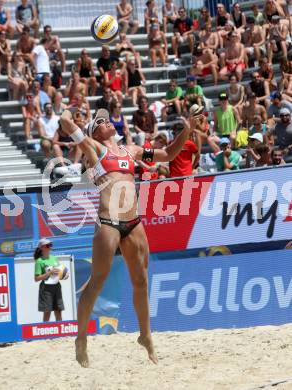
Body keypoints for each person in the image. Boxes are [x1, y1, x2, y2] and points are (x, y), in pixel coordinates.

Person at [59, 106, 194, 367]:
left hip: (132, 222)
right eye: (101, 121)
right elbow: (65, 122)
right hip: (108, 221)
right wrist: (70, 110)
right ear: (95, 132)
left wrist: (187, 130)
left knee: (141, 280)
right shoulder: (95, 149)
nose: (107, 121)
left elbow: (168, 154)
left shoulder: (131, 150)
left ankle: (145, 336)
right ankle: (81, 337)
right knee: (97, 281)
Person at [34, 238, 65, 322]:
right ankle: (46, 331)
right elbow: (36, 278)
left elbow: (59, 272)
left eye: (50, 245)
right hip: (46, 288)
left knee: (58, 310)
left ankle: (60, 330)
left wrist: (63, 274)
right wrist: (49, 273)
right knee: (47, 311)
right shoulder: (39, 261)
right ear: (42, 247)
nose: (50, 247)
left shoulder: (54, 258)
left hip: (57, 286)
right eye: (48, 245)